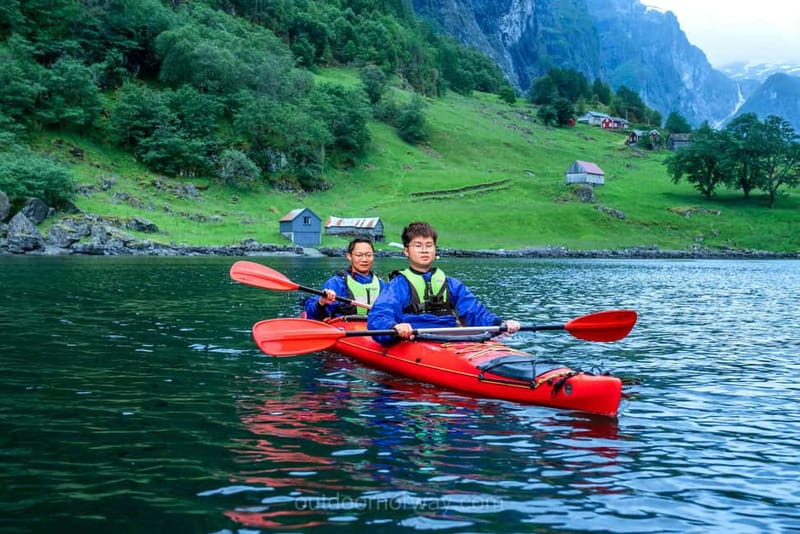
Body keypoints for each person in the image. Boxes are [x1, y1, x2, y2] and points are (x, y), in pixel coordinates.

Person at [367, 221, 521, 345]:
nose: (424, 250)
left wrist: (501, 323)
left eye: (429, 245)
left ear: (435, 250)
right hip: (415, 338)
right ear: (406, 251)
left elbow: (475, 312)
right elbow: (380, 315)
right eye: (418, 246)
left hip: (451, 338)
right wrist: (393, 327)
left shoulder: (452, 284)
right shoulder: (398, 285)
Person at [303, 237, 388, 320]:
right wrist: (321, 302)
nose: (364, 259)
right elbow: (312, 315)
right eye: (359, 255)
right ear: (349, 256)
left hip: (376, 330)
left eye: (368, 255)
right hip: (346, 329)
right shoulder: (336, 283)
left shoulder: (382, 284)